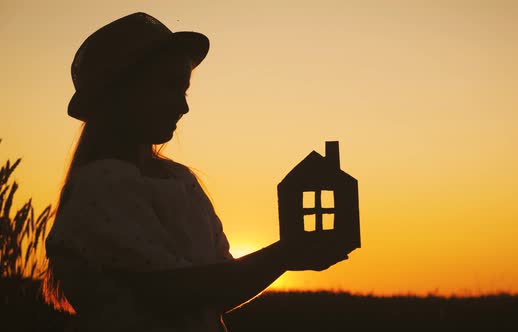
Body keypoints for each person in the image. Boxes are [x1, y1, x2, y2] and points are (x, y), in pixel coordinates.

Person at [43, 12, 348, 332]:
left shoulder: (181, 181)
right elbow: (172, 292)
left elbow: (218, 290)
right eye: (168, 86)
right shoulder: (101, 186)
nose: (183, 106)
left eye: (184, 90)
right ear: (121, 94)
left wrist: (285, 257)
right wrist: (283, 256)